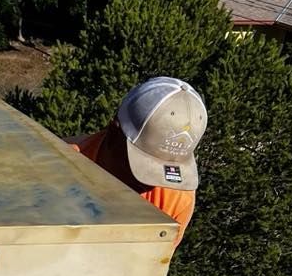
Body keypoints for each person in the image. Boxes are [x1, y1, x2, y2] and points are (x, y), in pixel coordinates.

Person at [72, 77, 207, 246]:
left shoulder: (176, 198)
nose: (150, 185)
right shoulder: (57, 168)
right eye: (145, 166)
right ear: (114, 134)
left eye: (164, 171)